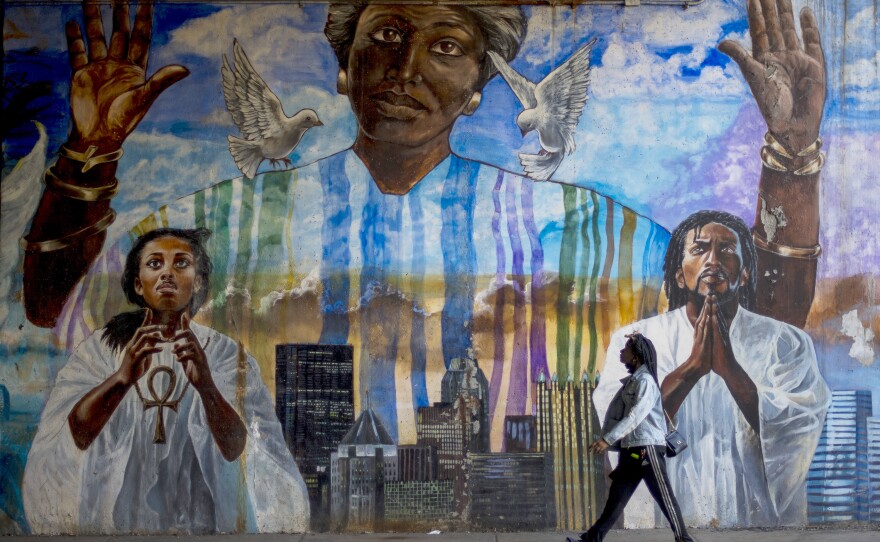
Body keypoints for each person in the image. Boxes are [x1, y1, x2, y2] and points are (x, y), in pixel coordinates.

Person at [20, 0, 824, 446]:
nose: (406, 70)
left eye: (445, 46)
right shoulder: (221, 221)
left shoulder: (577, 225)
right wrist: (83, 165)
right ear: (342, 68)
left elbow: (763, 322)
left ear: (479, 86)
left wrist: (792, 154)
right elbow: (58, 307)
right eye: (388, 38)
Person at [22, 228, 310, 534]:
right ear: (138, 283)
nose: (167, 273)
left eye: (181, 264)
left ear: (197, 281)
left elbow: (239, 449)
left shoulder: (225, 353)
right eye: (155, 264)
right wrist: (121, 379)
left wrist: (206, 385)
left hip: (200, 525)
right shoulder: (102, 348)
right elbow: (73, 437)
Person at [594, 210, 831, 528]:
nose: (713, 260)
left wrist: (730, 369)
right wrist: (690, 369)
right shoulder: (635, 340)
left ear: (744, 274)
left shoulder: (787, 342)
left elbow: (797, 428)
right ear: (680, 274)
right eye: (699, 249)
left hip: (759, 525)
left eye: (727, 250)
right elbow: (622, 426)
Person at [569, 333, 695, 542]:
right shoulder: (634, 381)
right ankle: (591, 539)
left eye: (626, 349)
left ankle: (684, 539)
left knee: (665, 497)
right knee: (616, 499)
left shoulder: (644, 381)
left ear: (635, 356)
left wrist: (607, 439)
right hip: (632, 449)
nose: (621, 351)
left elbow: (635, 415)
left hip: (648, 449)